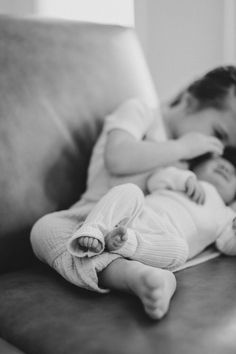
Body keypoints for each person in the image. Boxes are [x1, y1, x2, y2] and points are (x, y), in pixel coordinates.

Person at [30, 65, 236, 318]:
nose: (217, 149)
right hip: (91, 220)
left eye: (226, 146)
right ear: (191, 101)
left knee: (172, 245)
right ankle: (132, 276)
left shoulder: (191, 161)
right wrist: (181, 147)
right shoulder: (141, 113)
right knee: (45, 229)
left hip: (138, 233)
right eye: (219, 134)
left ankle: (138, 269)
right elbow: (117, 158)